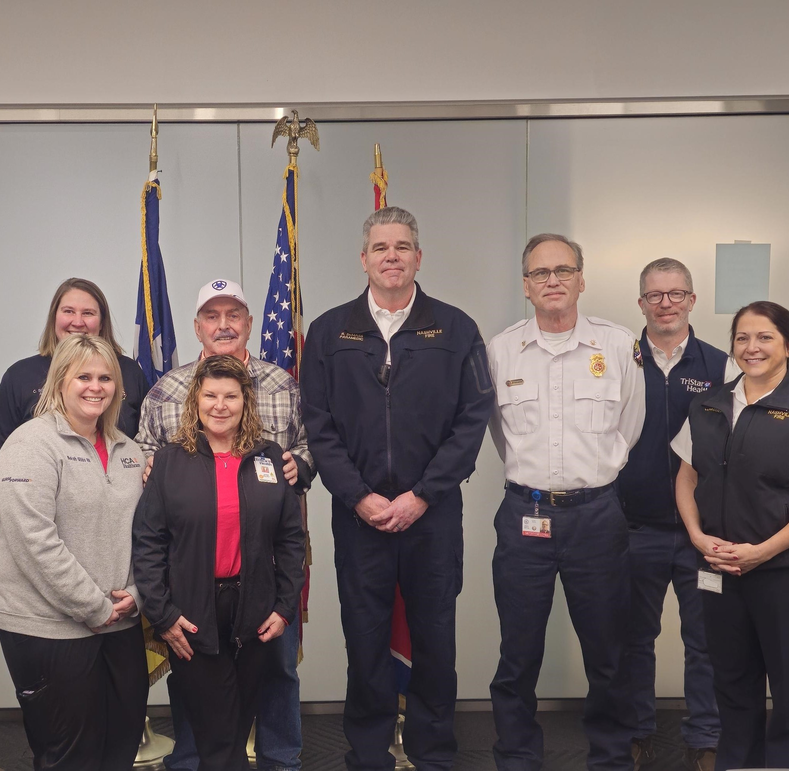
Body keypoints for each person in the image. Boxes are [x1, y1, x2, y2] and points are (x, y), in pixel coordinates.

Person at [301, 206, 493, 771]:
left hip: (431, 516)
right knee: (363, 641)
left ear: (418, 256)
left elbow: (472, 420)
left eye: (402, 246)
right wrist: (359, 496)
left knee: (434, 638)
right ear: (363, 259)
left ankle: (433, 752)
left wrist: (423, 494)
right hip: (359, 518)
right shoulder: (329, 331)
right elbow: (319, 423)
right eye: (381, 247)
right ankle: (367, 754)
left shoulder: (456, 329)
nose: (392, 256)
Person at [672, 300, 789, 770]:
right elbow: (686, 477)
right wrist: (698, 536)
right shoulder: (707, 404)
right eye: (742, 337)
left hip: (786, 573)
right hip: (719, 570)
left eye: (764, 337)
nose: (751, 347)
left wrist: (762, 552)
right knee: (732, 685)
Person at [137, 278, 314, 771]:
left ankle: (280, 760)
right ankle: (195, 760)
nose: (222, 325)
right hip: (191, 585)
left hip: (261, 579)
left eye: (232, 315)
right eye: (211, 316)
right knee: (201, 691)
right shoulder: (164, 393)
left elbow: (308, 450)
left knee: (272, 674)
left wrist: (301, 466)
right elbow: (145, 478)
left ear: (249, 323)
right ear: (196, 327)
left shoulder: (281, 384)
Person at [485, 233, 644, 771]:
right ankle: (516, 757)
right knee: (518, 654)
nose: (551, 280)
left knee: (608, 653)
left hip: (597, 518)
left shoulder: (618, 345)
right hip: (524, 515)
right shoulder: (500, 349)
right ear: (525, 286)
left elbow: (630, 425)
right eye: (539, 273)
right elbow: (498, 434)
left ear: (581, 278)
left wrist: (588, 480)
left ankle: (611, 757)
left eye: (562, 270)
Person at [0, 333, 150, 769]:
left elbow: (146, 534)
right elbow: (33, 540)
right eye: (83, 376)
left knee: (121, 744)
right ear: (60, 381)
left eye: (105, 377)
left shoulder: (129, 450)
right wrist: (93, 606)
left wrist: (136, 594)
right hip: (48, 628)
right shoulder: (29, 445)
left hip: (120, 622)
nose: (95, 386)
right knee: (69, 755)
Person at [614, 258, 737, 771]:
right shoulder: (616, 359)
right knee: (633, 640)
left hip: (700, 536)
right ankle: (635, 732)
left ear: (691, 300)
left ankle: (705, 738)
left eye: (676, 294)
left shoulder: (722, 366)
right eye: (655, 295)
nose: (666, 303)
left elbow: (741, 446)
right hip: (630, 529)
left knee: (705, 641)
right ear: (640, 302)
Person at [0, 277, 150, 440]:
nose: (78, 322)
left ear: (102, 322)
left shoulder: (130, 372)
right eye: (68, 311)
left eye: (88, 313)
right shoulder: (20, 375)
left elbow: (147, 438)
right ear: (54, 317)